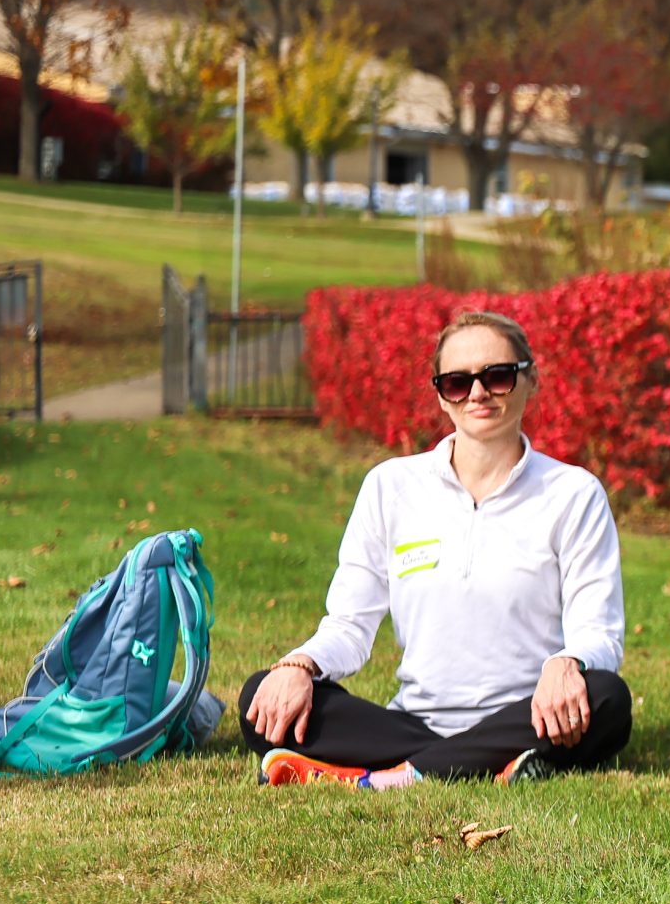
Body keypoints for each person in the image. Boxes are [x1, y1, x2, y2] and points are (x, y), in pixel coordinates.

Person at [238, 310, 632, 788]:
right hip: (413, 723)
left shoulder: (573, 493)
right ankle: (486, 764)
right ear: (442, 396)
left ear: (531, 380)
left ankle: (389, 777)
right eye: (457, 383)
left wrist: (566, 663)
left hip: (529, 713)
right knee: (261, 697)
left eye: (498, 376)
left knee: (607, 698)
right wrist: (298, 665)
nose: (478, 393)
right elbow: (349, 625)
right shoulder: (390, 486)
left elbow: (598, 633)